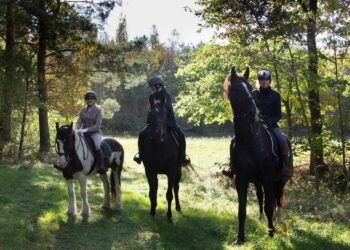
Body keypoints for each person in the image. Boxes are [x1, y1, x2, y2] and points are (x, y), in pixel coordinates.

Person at [134, 76, 190, 166]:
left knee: (180, 134)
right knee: (142, 134)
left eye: (152, 87)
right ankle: (140, 155)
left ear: (157, 85)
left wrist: (159, 106)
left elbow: (168, 107)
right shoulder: (151, 97)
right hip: (153, 123)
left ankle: (183, 156)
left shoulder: (166, 94)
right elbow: (151, 109)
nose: (151, 89)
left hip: (168, 121)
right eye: (151, 87)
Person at [253, 69, 291, 180]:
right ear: (258, 81)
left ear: (270, 81)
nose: (263, 82)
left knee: (283, 140)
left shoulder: (275, 95)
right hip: (255, 125)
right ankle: (234, 168)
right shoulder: (253, 94)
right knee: (237, 139)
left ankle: (284, 168)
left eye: (266, 80)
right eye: (261, 80)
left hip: (271, 125)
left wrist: (268, 121)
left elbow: (278, 115)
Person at [75, 91, 105, 174]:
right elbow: (79, 122)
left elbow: (97, 125)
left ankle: (101, 165)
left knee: (96, 145)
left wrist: (86, 129)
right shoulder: (82, 111)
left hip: (95, 133)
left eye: (92, 99)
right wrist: (76, 129)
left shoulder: (98, 110)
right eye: (88, 99)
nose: (90, 100)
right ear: (86, 100)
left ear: (95, 100)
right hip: (84, 133)